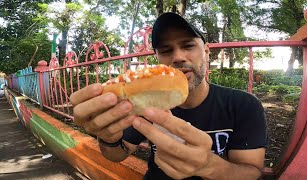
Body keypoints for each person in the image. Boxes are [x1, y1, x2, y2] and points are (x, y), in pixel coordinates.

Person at [70, 12, 268, 180]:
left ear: (206, 52)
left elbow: (252, 172)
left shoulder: (244, 105)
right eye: (166, 50)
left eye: (188, 46)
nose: (178, 57)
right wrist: (108, 138)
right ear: (158, 59)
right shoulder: (143, 102)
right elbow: (117, 154)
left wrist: (209, 166)